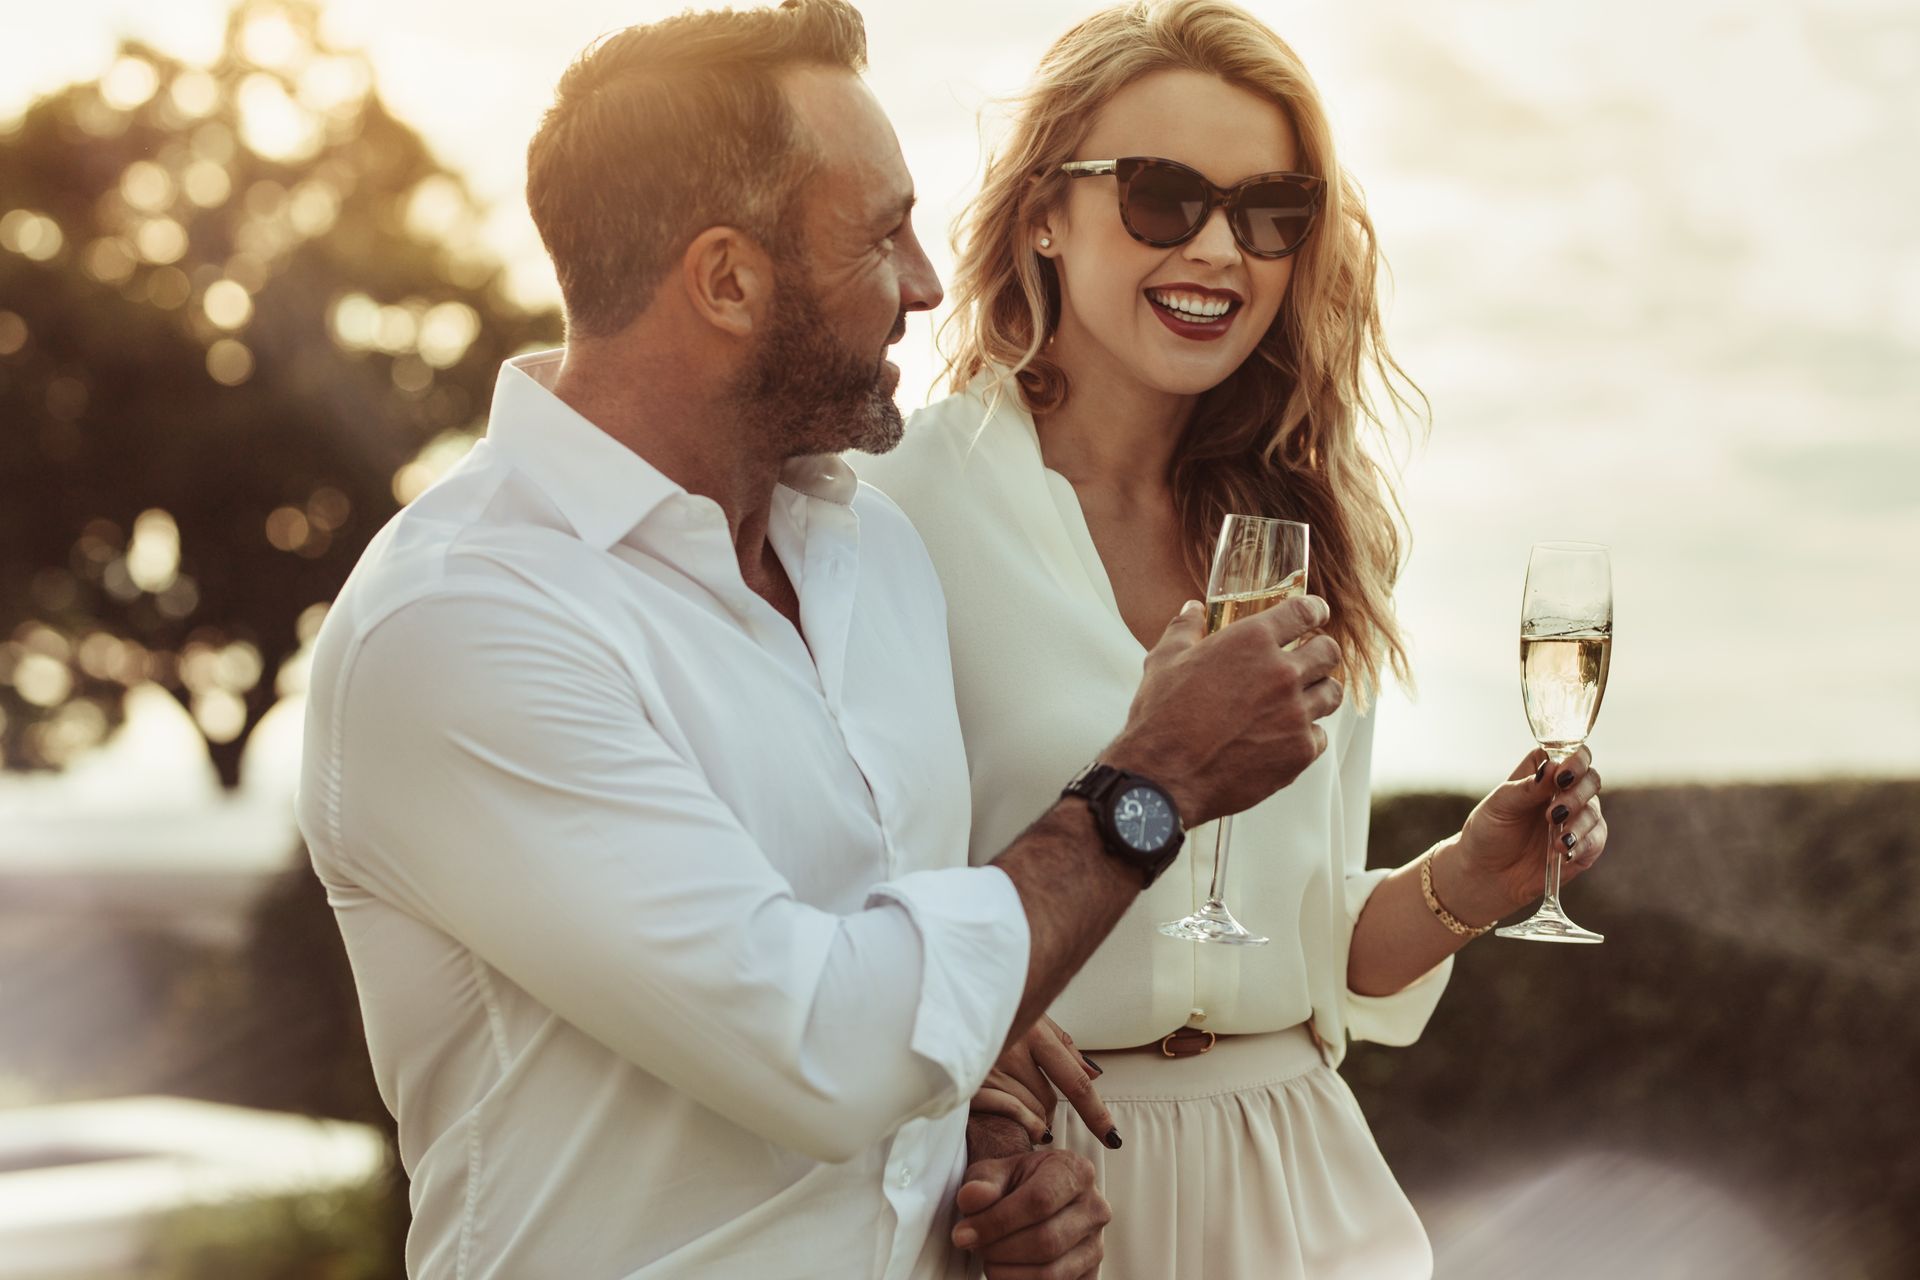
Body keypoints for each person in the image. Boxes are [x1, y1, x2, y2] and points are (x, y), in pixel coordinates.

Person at [294, 2, 1344, 1276]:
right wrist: (1157, 779)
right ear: (728, 279)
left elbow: (906, 984)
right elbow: (825, 1047)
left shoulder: (868, 554)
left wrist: (991, 1151)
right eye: (878, 235)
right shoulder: (465, 627)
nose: (925, 279)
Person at [857, 2, 1613, 1276]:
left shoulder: (1301, 529)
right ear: (1044, 211)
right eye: (1163, 197)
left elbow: (1306, 958)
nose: (1220, 247)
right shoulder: (896, 512)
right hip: (1038, 1188)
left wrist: (1466, 884)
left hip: (1302, 1179)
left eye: (1270, 211)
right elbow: (838, 920)